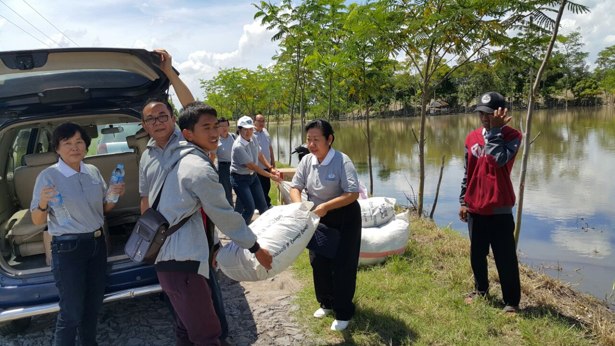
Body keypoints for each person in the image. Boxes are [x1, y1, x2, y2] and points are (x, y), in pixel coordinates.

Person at [151, 103, 273, 345]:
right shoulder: (197, 168)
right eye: (205, 127)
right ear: (187, 134)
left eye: (215, 125)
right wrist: (256, 249)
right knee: (207, 334)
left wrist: (214, 247)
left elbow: (193, 215)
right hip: (183, 265)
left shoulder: (175, 157)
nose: (214, 132)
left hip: (171, 262)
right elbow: (225, 215)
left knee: (187, 331)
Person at [138, 50, 228, 343]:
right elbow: (145, 199)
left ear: (174, 120)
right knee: (183, 307)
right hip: (166, 244)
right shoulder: (146, 156)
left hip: (197, 233)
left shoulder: (184, 139)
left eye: (162, 115)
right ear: (144, 126)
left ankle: (217, 333)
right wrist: (148, 236)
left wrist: (169, 72)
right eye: (150, 119)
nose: (157, 122)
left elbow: (194, 107)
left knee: (207, 292)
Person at [31, 123, 125, 345]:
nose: (74, 148)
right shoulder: (48, 176)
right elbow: (37, 220)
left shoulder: (92, 171)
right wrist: (43, 203)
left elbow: (103, 209)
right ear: (57, 148)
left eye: (79, 142)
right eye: (67, 143)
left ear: (86, 145)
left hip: (96, 244)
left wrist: (114, 195)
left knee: (92, 307)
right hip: (67, 249)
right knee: (72, 311)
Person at [289, 119, 361, 331]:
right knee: (318, 261)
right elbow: (295, 186)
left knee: (343, 265)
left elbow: (352, 193)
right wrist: (299, 205)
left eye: (316, 140)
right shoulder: (307, 161)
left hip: (344, 216)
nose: (311, 144)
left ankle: (344, 311)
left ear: (329, 139)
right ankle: (326, 303)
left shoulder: (342, 161)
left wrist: (327, 206)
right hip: (318, 216)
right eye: (308, 139)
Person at [458, 91, 522, 313]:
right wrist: (463, 201)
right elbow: (468, 172)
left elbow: (497, 160)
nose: (484, 118)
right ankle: (481, 290)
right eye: (481, 113)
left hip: (500, 208)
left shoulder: (513, 136)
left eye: (489, 113)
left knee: (505, 258)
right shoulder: (471, 137)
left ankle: (511, 302)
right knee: (477, 254)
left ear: (501, 113)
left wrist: (495, 131)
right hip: (475, 207)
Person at [230, 116, 282, 223]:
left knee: (263, 207)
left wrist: (270, 168)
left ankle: (266, 231)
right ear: (239, 129)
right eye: (245, 129)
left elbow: (259, 154)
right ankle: (240, 235)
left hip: (252, 176)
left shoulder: (253, 138)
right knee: (249, 209)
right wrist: (271, 176)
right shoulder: (238, 146)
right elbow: (253, 166)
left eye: (250, 129)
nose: (248, 132)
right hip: (240, 179)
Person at [253, 114, 276, 208]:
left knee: (267, 186)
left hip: (267, 165)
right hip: (257, 167)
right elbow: (258, 154)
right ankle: (260, 206)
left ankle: (266, 204)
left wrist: (273, 162)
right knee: (259, 188)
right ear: (254, 121)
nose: (262, 123)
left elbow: (270, 147)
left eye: (263, 121)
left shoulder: (265, 131)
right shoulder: (251, 134)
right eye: (259, 121)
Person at [216, 117, 235, 206]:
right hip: (223, 168)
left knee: (240, 190)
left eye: (226, 125)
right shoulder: (215, 140)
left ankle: (240, 211)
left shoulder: (234, 137)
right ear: (217, 127)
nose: (224, 128)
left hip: (235, 166)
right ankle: (230, 212)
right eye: (221, 126)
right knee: (227, 192)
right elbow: (212, 157)